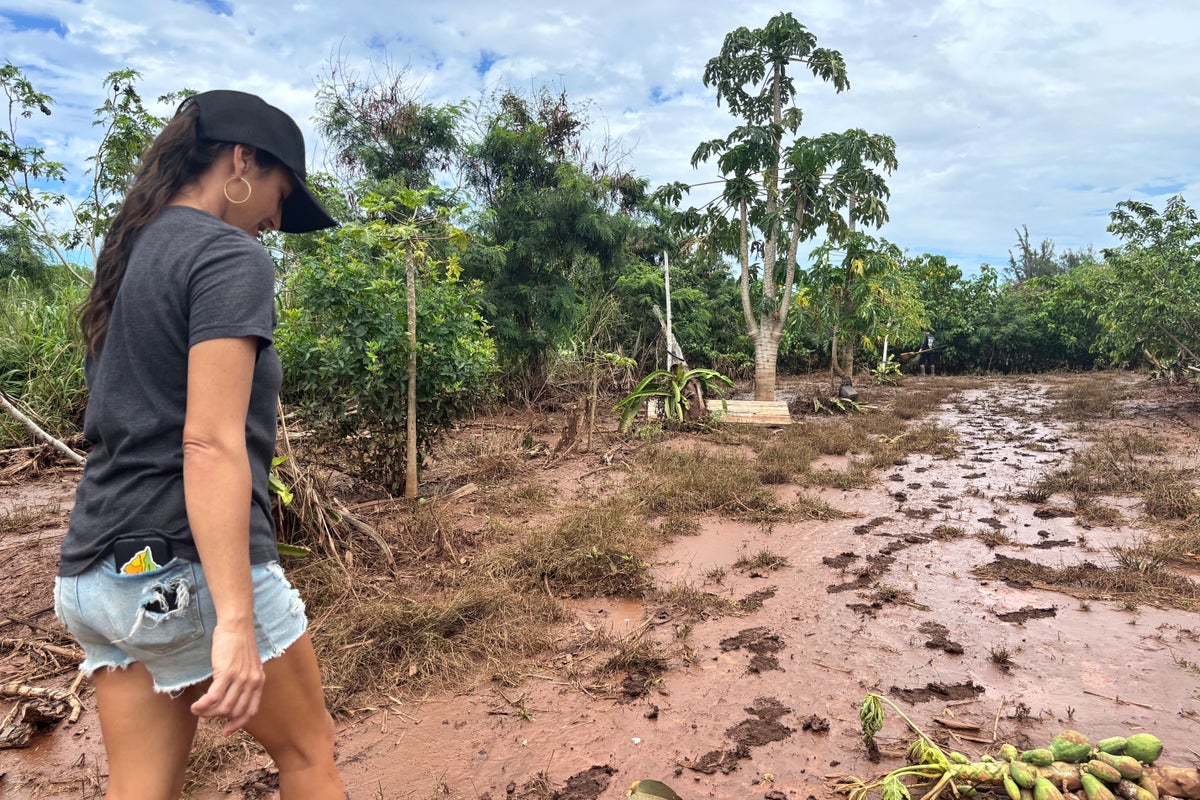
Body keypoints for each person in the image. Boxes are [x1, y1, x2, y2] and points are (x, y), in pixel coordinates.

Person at [54, 90, 345, 799]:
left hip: (94, 574)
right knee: (308, 755)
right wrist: (236, 621)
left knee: (139, 786)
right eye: (281, 195)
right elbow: (209, 443)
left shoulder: (127, 256)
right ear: (241, 160)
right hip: (181, 567)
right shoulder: (228, 255)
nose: (275, 221)